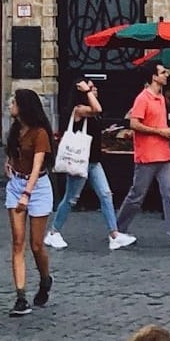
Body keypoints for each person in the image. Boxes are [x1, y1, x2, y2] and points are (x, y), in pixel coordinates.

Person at [46, 79, 134, 251]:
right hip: (80, 161)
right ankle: (53, 232)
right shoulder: (79, 110)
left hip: (93, 161)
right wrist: (87, 91)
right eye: (91, 88)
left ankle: (114, 234)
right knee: (71, 199)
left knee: (106, 194)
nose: (94, 90)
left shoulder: (92, 111)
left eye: (94, 88)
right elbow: (97, 109)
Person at [113, 60, 170, 249]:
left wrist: (168, 131)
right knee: (136, 195)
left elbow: (158, 124)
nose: (166, 75)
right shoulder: (143, 98)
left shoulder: (161, 99)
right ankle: (117, 228)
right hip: (147, 155)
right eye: (163, 72)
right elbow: (134, 124)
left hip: (164, 154)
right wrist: (160, 132)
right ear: (154, 77)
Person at [5, 87, 55, 315]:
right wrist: (9, 164)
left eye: (13, 101)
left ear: (23, 106)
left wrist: (27, 193)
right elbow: (14, 154)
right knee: (18, 242)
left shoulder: (40, 133)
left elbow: (37, 166)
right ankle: (21, 297)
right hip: (16, 185)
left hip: (38, 188)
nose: (9, 104)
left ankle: (45, 279)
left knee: (36, 245)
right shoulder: (15, 130)